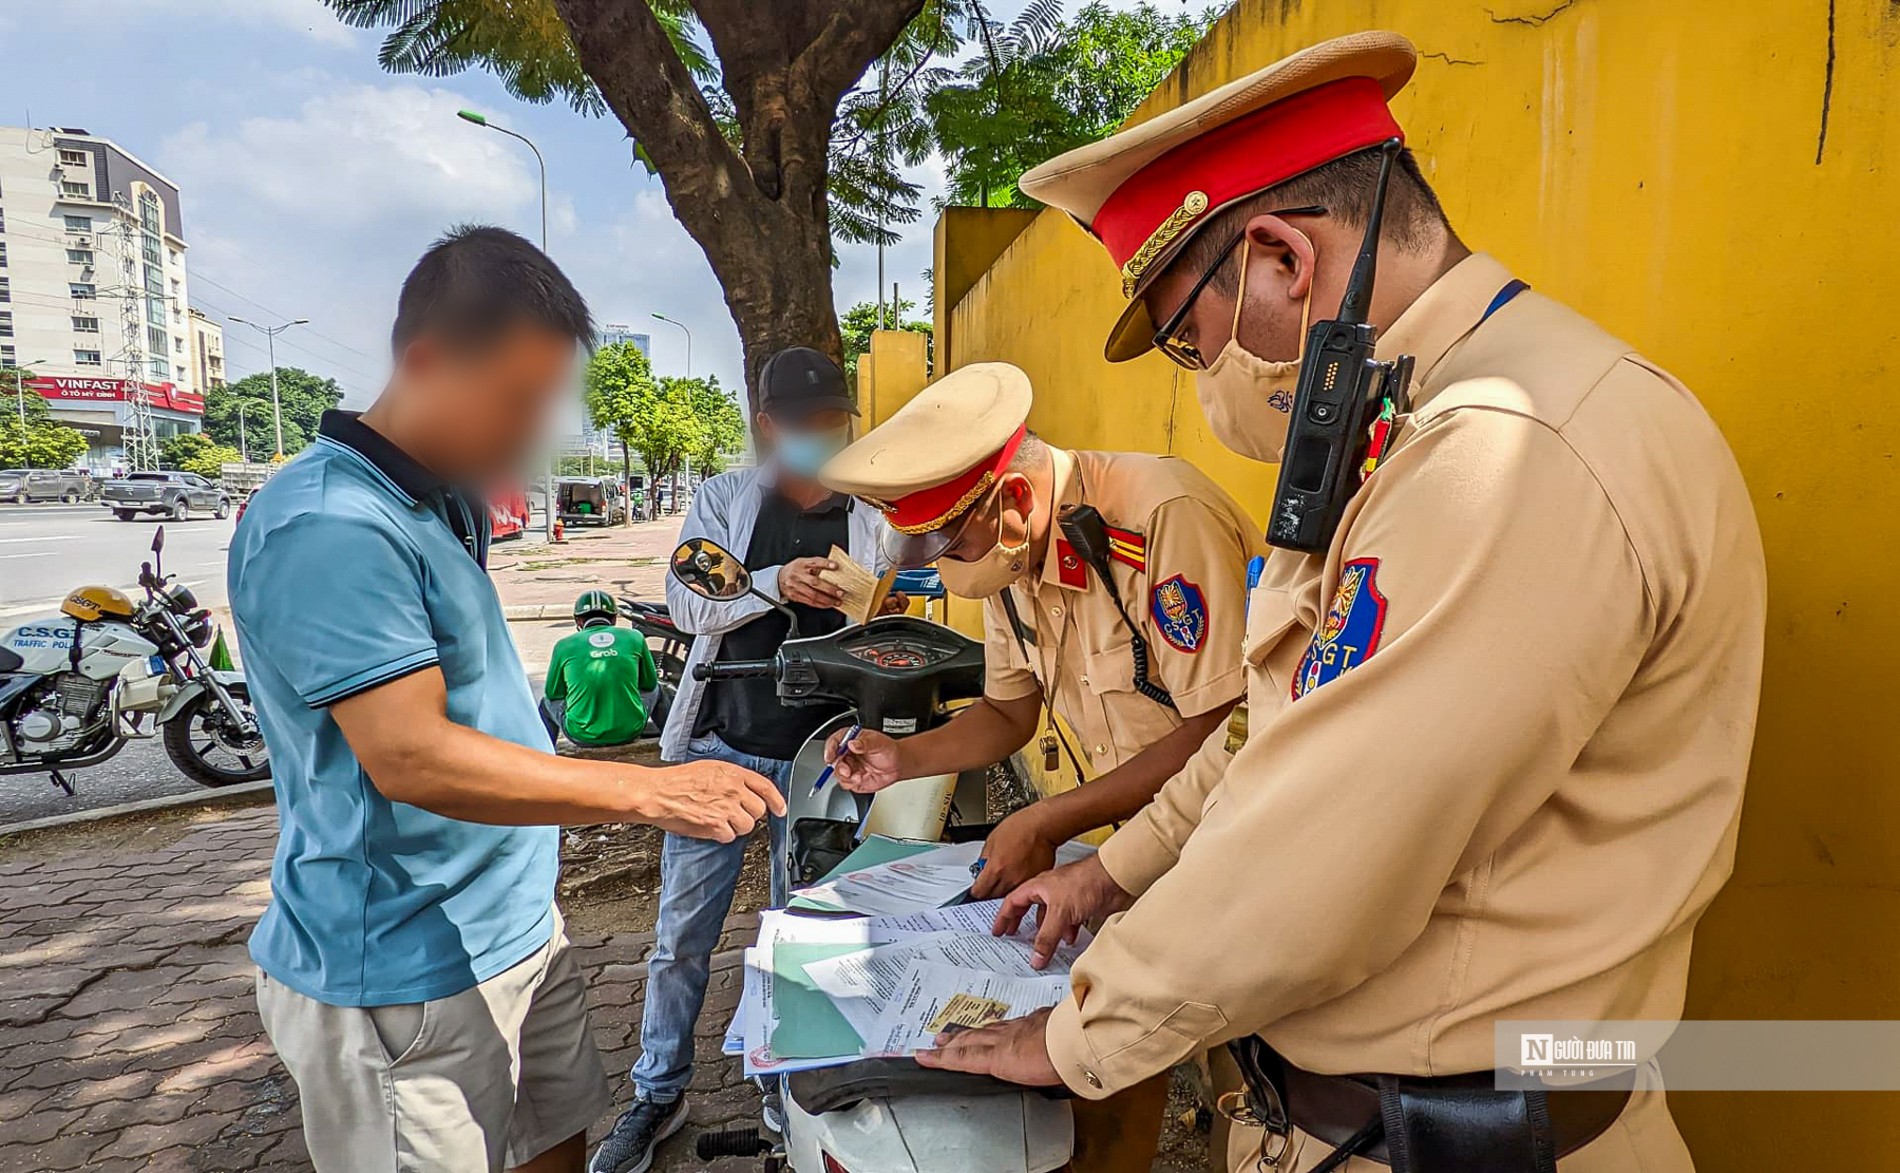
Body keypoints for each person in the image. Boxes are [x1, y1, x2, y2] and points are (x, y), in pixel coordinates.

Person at [914, 32, 1766, 1173]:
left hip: (1470, 1142)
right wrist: (1109, 874)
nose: (1205, 373)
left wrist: (1080, 1032)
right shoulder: (1406, 433)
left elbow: (1320, 861)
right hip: (1360, 1124)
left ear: (1279, 260)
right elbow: (1274, 732)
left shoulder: (1507, 450)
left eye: (1189, 338)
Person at [230, 225, 784, 1173]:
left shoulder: (439, 500)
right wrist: (649, 789)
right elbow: (410, 755)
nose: (534, 434)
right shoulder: (328, 524)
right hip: (402, 976)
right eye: (518, 400)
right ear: (427, 361)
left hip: (516, 930)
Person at [818, 360, 1260, 1170]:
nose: (952, 563)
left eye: (953, 539)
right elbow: (1008, 712)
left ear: (1014, 502)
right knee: (1106, 1047)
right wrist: (902, 757)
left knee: (1251, 1073)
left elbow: (1223, 733)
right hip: (1151, 849)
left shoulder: (1162, 518)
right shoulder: (1010, 560)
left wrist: (1050, 816)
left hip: (1246, 845)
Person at [590, 346, 896, 1173]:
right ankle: (658, 1090)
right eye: (801, 426)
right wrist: (773, 581)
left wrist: (881, 599)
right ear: (767, 426)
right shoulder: (727, 500)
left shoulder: (871, 514)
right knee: (681, 935)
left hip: (822, 760)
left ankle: (781, 1086)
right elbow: (690, 600)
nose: (817, 438)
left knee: (798, 934)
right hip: (722, 753)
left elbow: (905, 595)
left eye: (833, 423)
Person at [540, 589, 664, 748]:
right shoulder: (635, 637)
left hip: (582, 735)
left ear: (578, 620)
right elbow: (649, 684)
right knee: (659, 690)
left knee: (546, 703)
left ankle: (544, 753)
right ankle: (672, 744)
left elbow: (553, 693)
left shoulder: (564, 645)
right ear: (614, 618)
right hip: (630, 731)